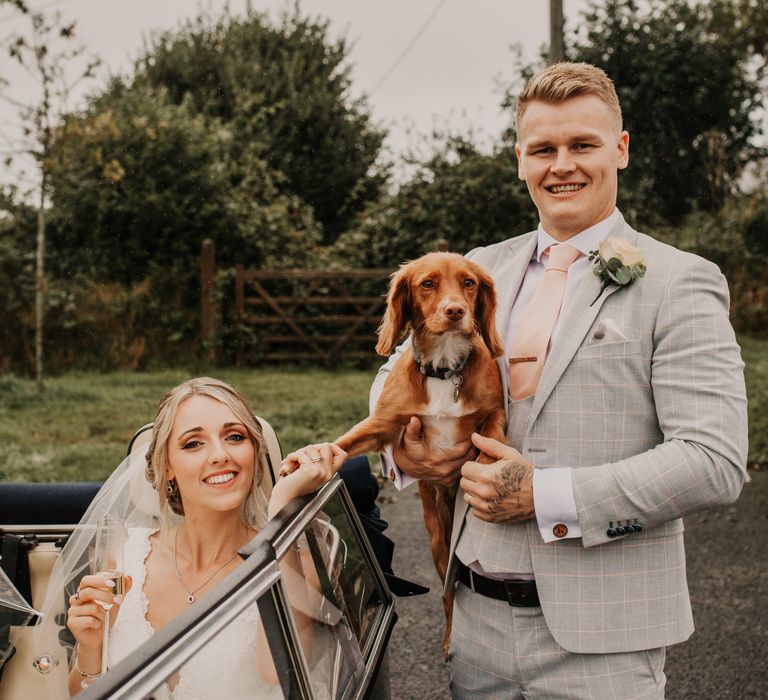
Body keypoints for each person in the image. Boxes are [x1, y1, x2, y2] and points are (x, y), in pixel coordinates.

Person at [373, 62, 748, 699]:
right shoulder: (479, 269)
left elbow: (714, 460)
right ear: (520, 159)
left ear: (621, 149)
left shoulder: (680, 280)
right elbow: (393, 372)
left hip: (605, 637)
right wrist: (404, 451)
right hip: (476, 624)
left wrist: (544, 496)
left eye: (583, 145)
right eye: (543, 149)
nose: (562, 165)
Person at [42, 377, 346, 698]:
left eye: (234, 437)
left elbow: (279, 672)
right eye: (192, 443)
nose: (220, 454)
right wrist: (91, 648)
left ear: (254, 451)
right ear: (167, 466)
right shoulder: (125, 556)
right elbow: (80, 693)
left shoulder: (297, 561)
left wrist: (281, 508)